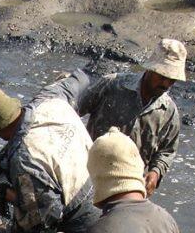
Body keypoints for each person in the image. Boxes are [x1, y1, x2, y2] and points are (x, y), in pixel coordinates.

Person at [0, 84, 99, 233]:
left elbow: (46, 213)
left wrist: (10, 196)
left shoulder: (23, 158)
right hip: (104, 189)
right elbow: (76, 82)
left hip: (84, 215)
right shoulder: (51, 101)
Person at [61, 39, 186, 197]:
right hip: (89, 174)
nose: (166, 84)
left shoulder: (168, 111)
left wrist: (155, 173)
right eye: (162, 76)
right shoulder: (113, 85)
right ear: (150, 69)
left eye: (172, 80)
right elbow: (73, 111)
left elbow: (167, 151)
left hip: (130, 186)